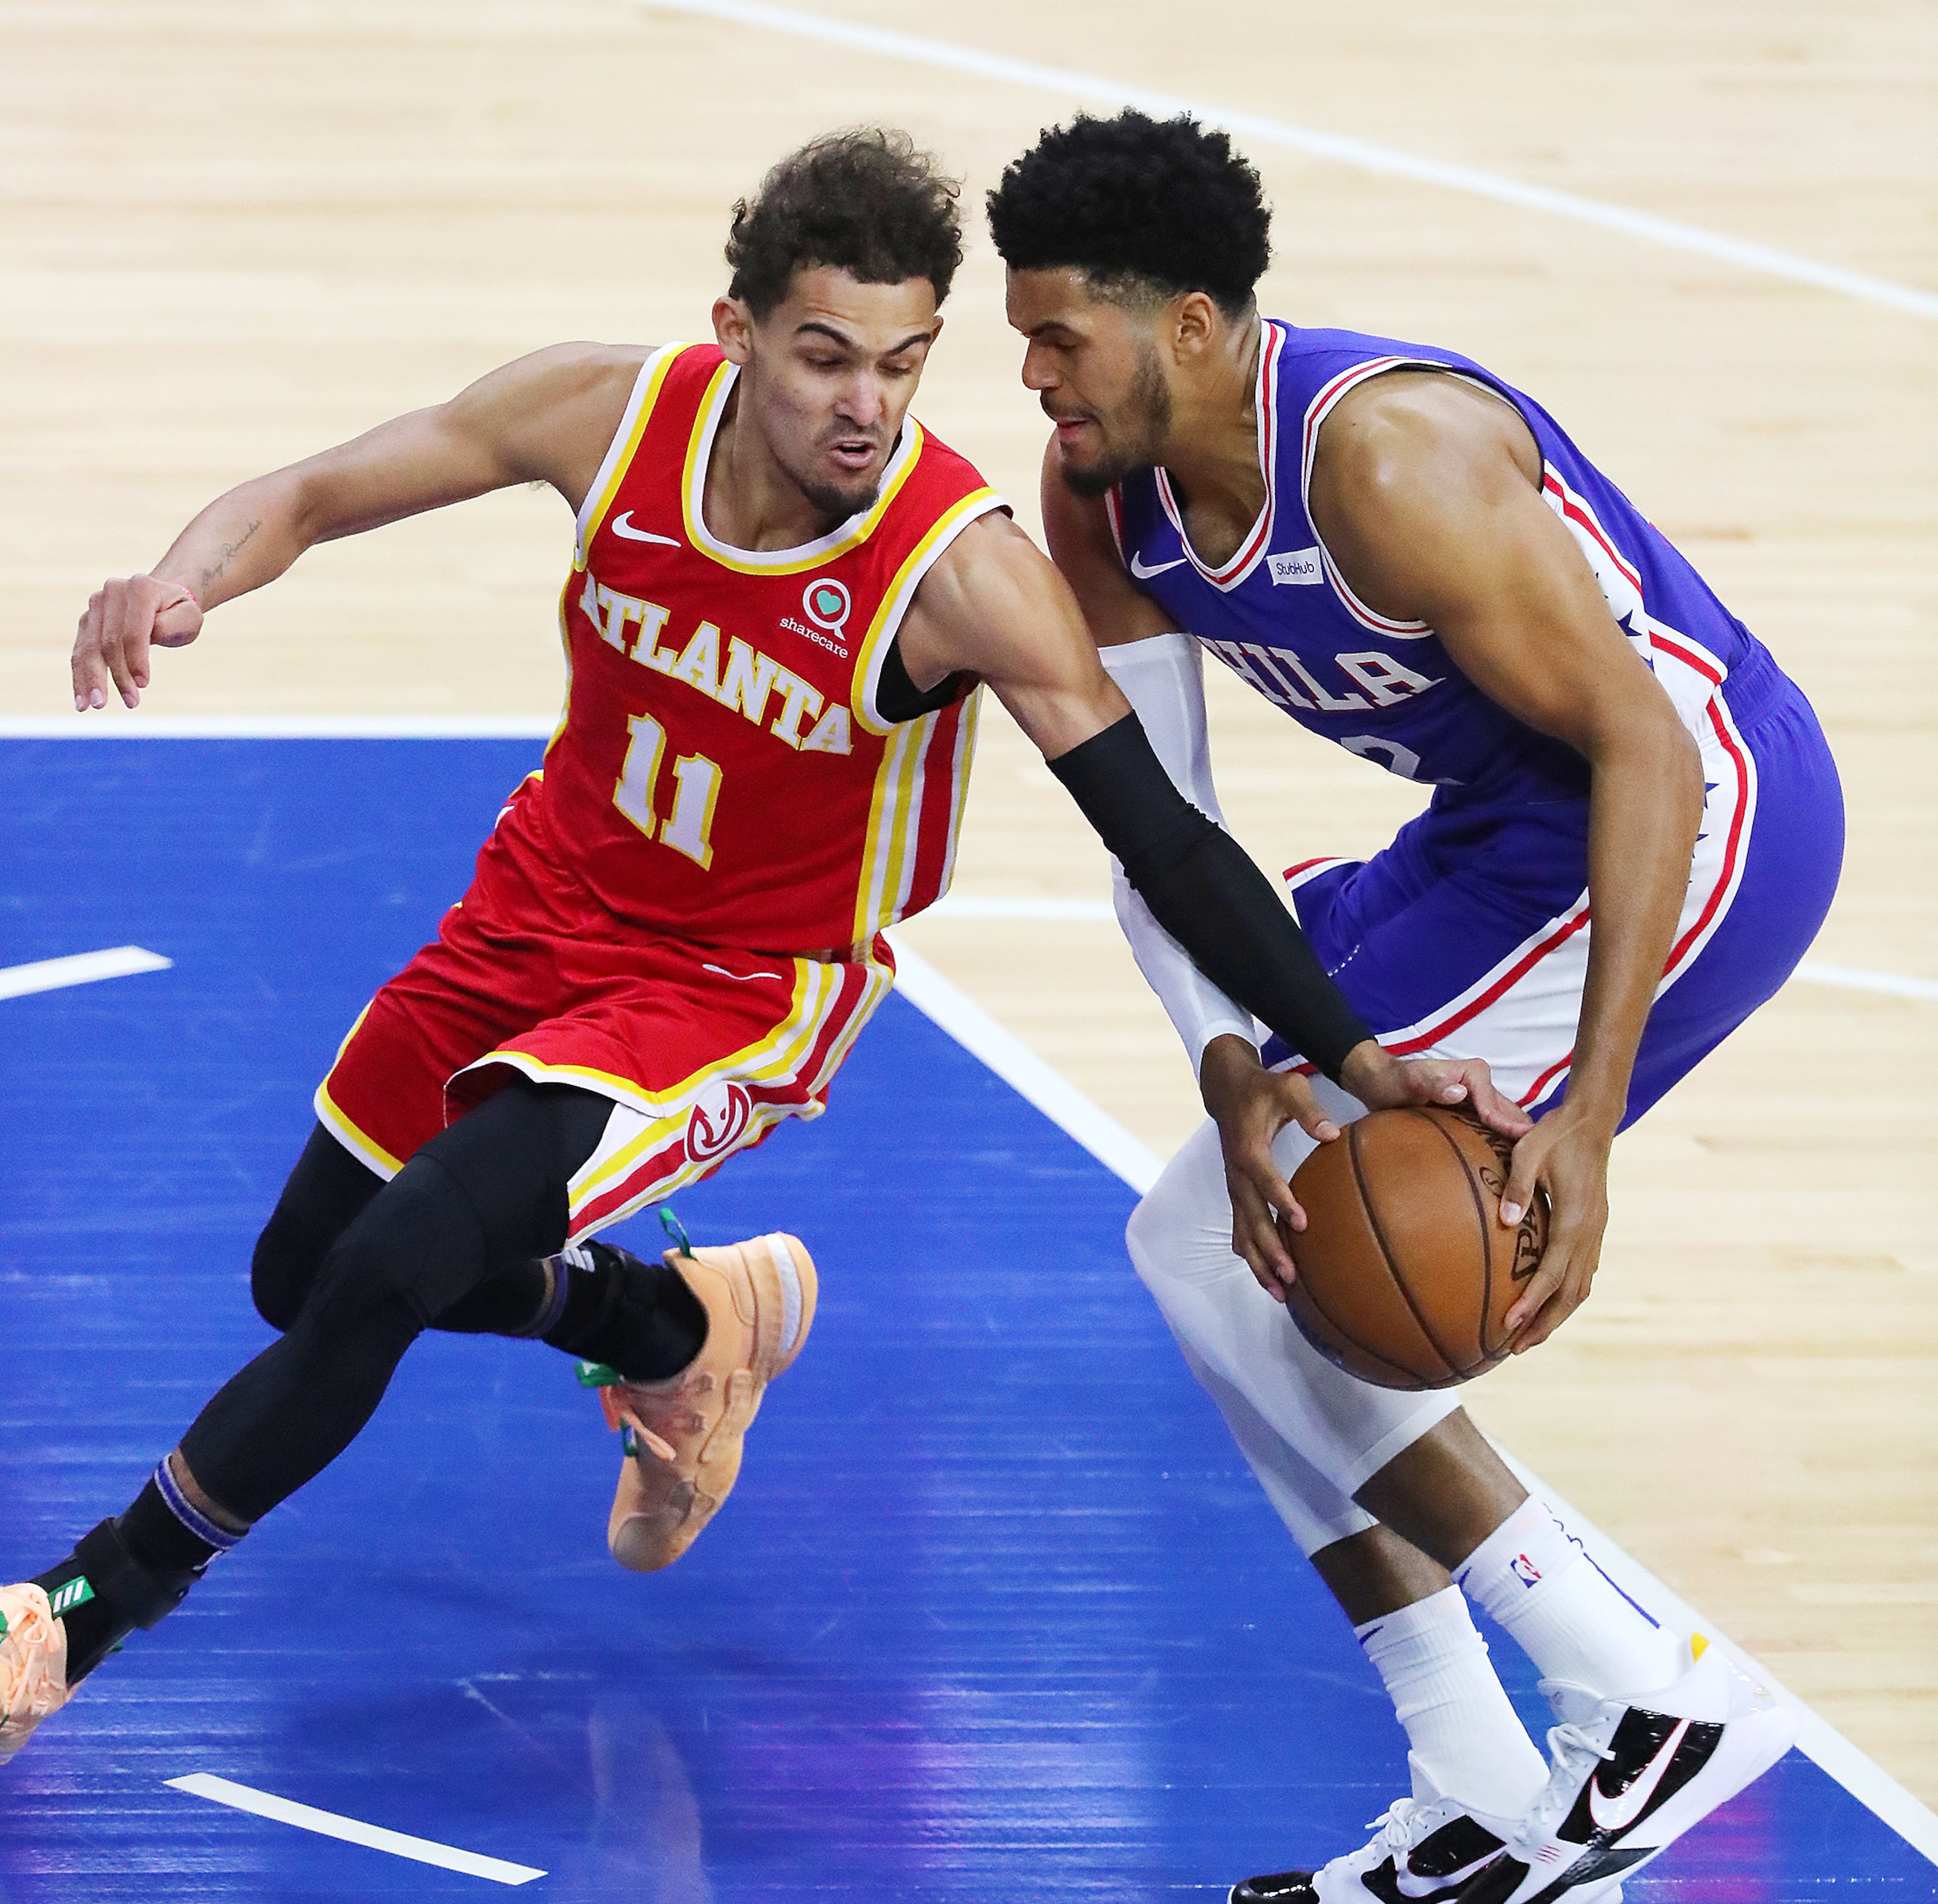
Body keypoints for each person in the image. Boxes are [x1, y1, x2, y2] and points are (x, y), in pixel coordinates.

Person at [0, 131, 1504, 1765]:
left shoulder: (963, 574)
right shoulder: (607, 415)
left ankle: (73, 1613)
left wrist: (1351, 1055)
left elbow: (1172, 841)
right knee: (302, 1273)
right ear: (738, 335)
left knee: (388, 1267)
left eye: (904, 364)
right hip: (536, 906)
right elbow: (309, 494)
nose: (869, 405)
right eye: (827, 358)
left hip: (732, 989)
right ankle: (676, 1328)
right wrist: (180, 582)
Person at [988, 111, 1843, 1904]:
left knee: (1235, 1249)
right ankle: (1470, 1775)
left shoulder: (1384, 461)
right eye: (1023, 338)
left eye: (1062, 338)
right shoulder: (1102, 499)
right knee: (1210, 1231)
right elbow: (1162, 827)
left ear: (1193, 325)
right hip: (1498, 829)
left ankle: (1648, 1686)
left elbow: (1648, 745)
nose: (1035, 377)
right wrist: (1234, 1064)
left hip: (1697, 821)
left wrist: (1587, 1121)